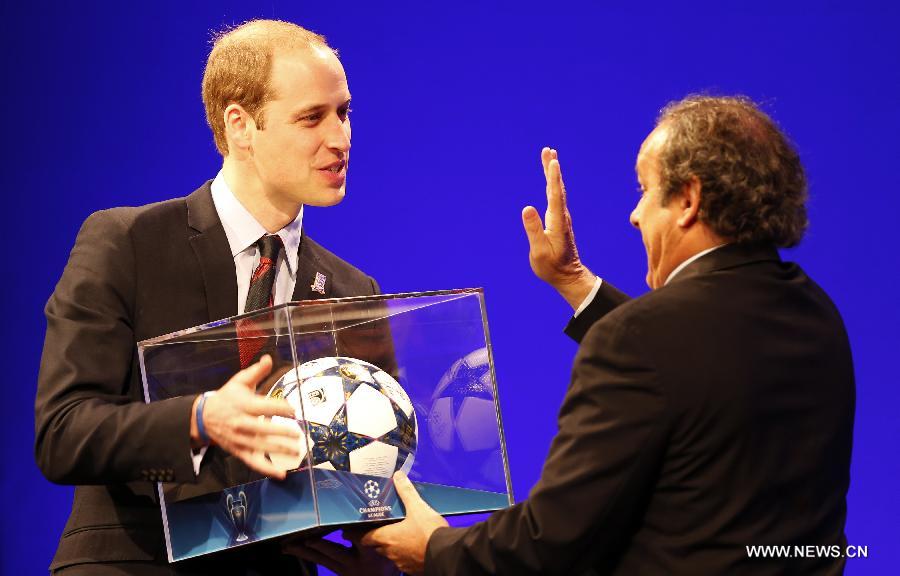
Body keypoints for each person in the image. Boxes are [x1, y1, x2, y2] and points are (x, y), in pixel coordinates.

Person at [358, 95, 855, 575]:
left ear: (688, 199)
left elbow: (551, 541)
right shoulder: (815, 313)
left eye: (644, 189)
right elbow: (699, 362)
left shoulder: (640, 340)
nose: (635, 215)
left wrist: (437, 551)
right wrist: (573, 281)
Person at [34, 19, 387, 575]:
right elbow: (63, 432)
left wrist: (386, 544)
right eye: (311, 117)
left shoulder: (353, 294)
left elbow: (370, 467)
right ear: (241, 125)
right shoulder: (127, 243)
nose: (340, 138)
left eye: (344, 112)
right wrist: (200, 420)